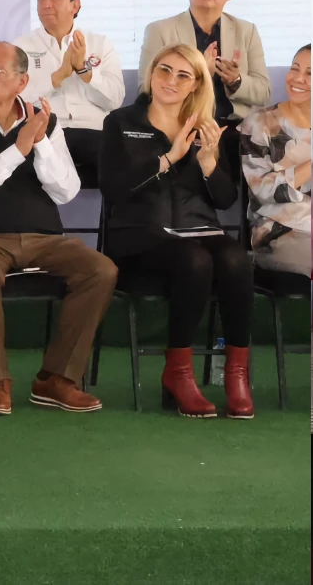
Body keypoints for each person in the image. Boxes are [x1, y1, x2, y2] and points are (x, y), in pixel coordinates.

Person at [0, 41, 116, 415]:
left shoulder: (45, 121)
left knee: (100, 269)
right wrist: (16, 150)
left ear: (22, 82)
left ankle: (56, 379)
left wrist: (41, 143)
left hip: (42, 238)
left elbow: (66, 191)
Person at [100, 44, 250, 419]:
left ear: (196, 84)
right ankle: (178, 373)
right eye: (164, 70)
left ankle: (237, 374)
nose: (171, 80)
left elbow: (225, 200)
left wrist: (208, 162)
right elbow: (113, 189)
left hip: (199, 230)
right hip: (139, 237)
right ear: (151, 73)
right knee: (195, 261)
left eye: (184, 75)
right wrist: (167, 159)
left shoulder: (207, 127)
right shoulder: (120, 122)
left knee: (236, 259)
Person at [14, 0, 122, 187]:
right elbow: (15, 101)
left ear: (75, 5)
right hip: (46, 133)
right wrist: (58, 76)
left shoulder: (100, 43)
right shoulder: (21, 46)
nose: (46, 4)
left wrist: (84, 70)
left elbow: (114, 101)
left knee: (123, 170)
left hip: (94, 132)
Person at [139, 0, 269, 125]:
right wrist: (201, 75)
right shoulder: (160, 30)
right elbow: (145, 90)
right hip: (180, 124)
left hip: (235, 127)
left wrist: (235, 81)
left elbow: (264, 93)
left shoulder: (246, 31)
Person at [240, 43, 310, 278]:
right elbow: (263, 191)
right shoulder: (259, 124)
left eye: (309, 73)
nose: (298, 79)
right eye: (295, 68)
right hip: (279, 232)